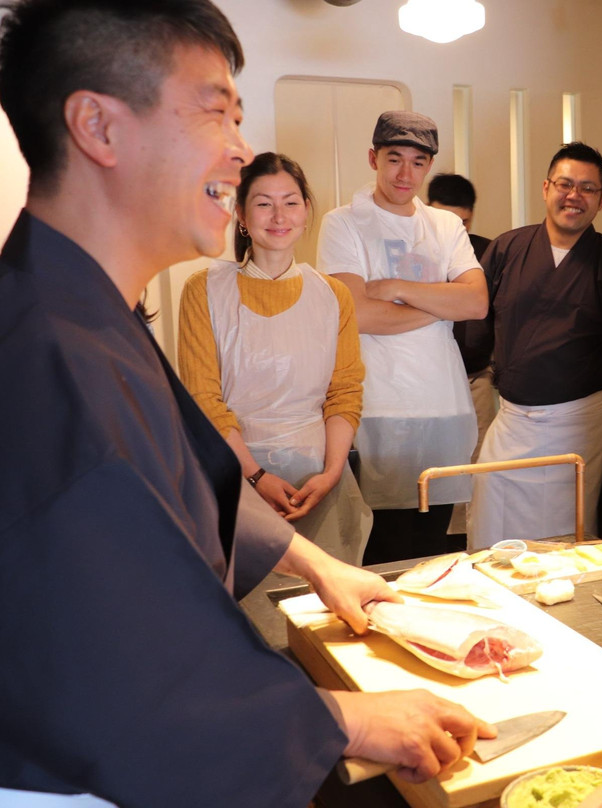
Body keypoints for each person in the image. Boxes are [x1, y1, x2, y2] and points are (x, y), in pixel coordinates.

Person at [0, 3, 492, 805]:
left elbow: (184, 475)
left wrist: (319, 563)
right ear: (98, 126)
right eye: (215, 109)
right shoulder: (42, 357)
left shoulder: (84, 307)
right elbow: (138, 683)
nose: (242, 147)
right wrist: (346, 722)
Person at [178, 152, 372, 565]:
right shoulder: (204, 290)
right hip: (234, 482)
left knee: (324, 618)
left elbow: (344, 392)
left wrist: (332, 473)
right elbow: (203, 398)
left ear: (305, 212)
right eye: (264, 203)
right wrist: (255, 476)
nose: (279, 215)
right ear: (242, 216)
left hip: (319, 484)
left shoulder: (333, 295)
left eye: (291, 202)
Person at [317, 113, 487, 564]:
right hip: (377, 408)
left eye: (417, 162)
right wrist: (438, 304)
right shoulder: (344, 223)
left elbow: (476, 303)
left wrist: (397, 288)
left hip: (444, 406)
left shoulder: (445, 226)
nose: (404, 173)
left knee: (432, 554)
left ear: (428, 167)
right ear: (373, 158)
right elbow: (357, 315)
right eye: (394, 159)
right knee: (377, 551)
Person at [466, 142, 602, 548]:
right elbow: (478, 325)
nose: (574, 195)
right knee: (490, 525)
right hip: (512, 418)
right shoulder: (508, 249)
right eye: (565, 184)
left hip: (578, 422)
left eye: (587, 188)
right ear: (546, 188)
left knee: (563, 536)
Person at [427, 173, 496, 541]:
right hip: (427, 382)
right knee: (434, 467)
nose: (455, 228)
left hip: (476, 376)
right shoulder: (413, 254)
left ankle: (471, 544)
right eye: (446, 218)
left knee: (477, 466)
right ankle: (435, 544)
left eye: (463, 221)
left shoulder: (487, 253)